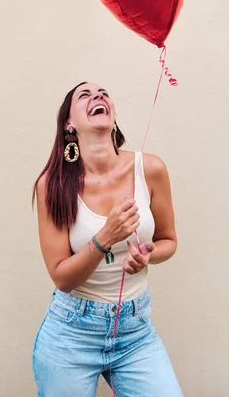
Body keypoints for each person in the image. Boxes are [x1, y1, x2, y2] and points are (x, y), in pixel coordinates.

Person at [32, 82, 184, 397]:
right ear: (68, 124)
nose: (98, 96)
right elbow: (62, 277)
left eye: (103, 93)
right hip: (72, 333)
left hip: (135, 332)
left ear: (112, 114)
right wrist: (105, 237)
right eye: (84, 95)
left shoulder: (150, 169)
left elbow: (168, 240)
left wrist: (148, 255)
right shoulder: (53, 185)